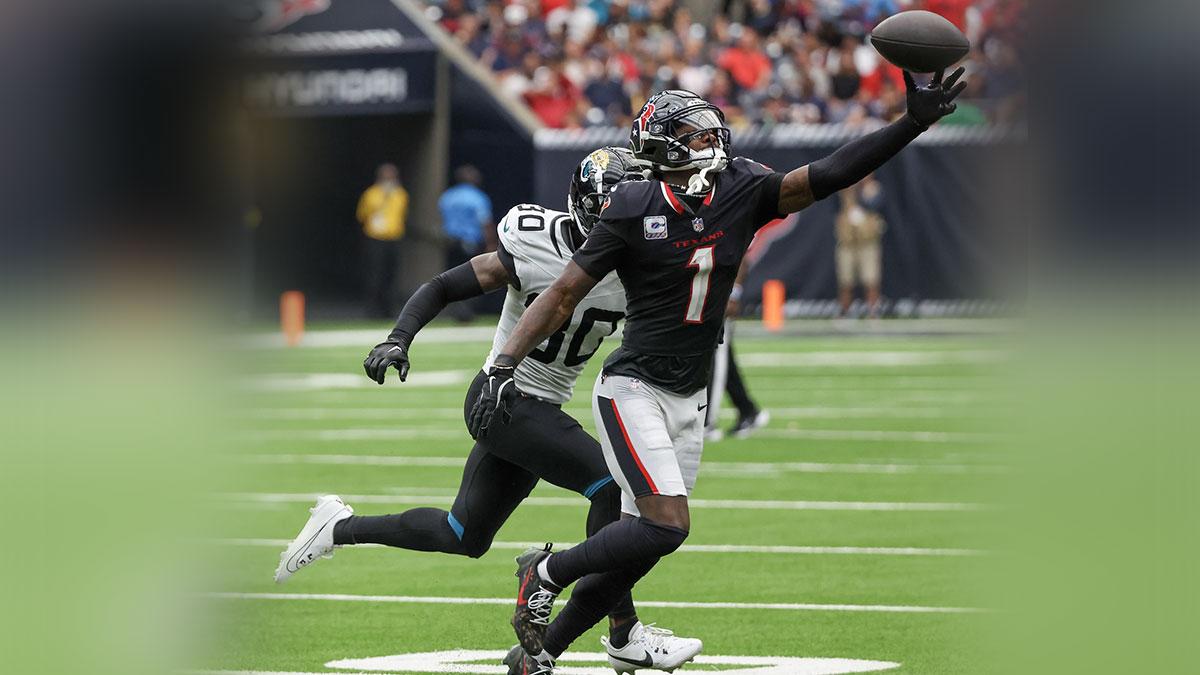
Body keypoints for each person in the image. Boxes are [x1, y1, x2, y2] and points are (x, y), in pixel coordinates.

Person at [469, 71, 966, 675]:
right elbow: (564, 293)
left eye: (708, 127)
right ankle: (544, 571)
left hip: (691, 391)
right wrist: (502, 363)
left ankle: (541, 652)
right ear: (663, 142)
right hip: (634, 387)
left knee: (637, 548)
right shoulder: (632, 204)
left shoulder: (742, 187)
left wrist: (910, 122)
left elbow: (831, 173)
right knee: (665, 524)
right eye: (692, 130)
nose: (710, 136)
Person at [273, 147, 702, 674]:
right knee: (611, 489)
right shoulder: (537, 240)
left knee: (463, 535)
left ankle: (338, 527)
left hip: (534, 410)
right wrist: (399, 338)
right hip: (502, 398)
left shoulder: (636, 266)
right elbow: (444, 284)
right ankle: (621, 632)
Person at [704, 257, 768, 442]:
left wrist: (734, 293)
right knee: (722, 358)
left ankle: (707, 421)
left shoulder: (724, 228)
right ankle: (747, 409)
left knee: (717, 355)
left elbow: (741, 256)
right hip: (703, 296)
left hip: (719, 296)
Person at [438, 165, 493, 321]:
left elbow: (443, 217)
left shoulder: (447, 196)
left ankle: (458, 310)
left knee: (453, 277)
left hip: (450, 242)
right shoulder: (477, 197)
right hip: (470, 243)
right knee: (474, 277)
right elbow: (485, 222)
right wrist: (491, 243)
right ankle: (466, 312)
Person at [356, 163, 409, 318]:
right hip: (375, 238)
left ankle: (388, 310)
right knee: (375, 274)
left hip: (393, 238)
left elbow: (401, 213)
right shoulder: (371, 194)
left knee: (390, 275)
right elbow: (362, 215)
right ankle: (372, 310)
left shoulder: (400, 194)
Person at [835, 175, 886, 318]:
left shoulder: (873, 188)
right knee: (846, 280)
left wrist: (862, 191)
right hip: (848, 242)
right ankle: (844, 312)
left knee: (871, 279)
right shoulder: (847, 189)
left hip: (867, 242)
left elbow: (874, 204)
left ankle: (873, 312)